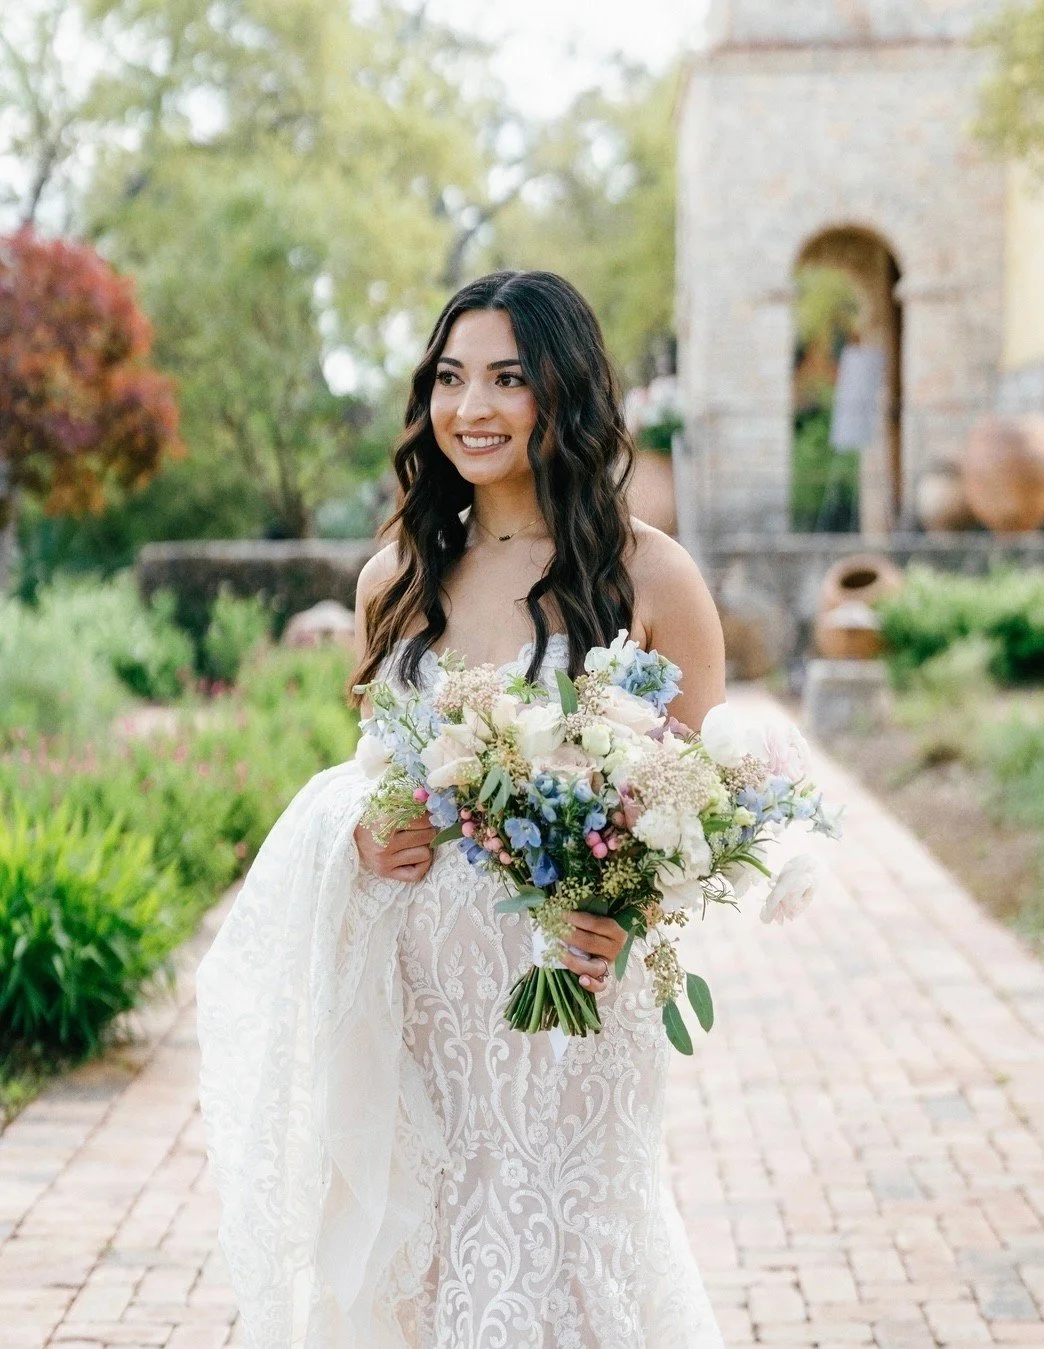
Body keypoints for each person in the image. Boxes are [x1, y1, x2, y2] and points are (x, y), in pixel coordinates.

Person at [195, 270, 727, 1348]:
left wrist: (625, 915)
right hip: (418, 1012)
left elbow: (698, 814)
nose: (470, 407)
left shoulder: (652, 578)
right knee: (421, 1251)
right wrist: (355, 832)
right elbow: (369, 771)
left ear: (564, 393)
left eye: (507, 378)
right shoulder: (393, 575)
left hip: (572, 1010)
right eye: (449, 377)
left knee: (578, 1250)